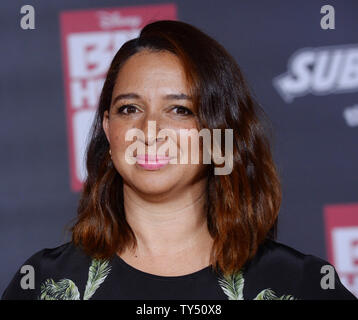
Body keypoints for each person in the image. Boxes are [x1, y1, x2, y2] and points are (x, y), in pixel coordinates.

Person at [2, 20, 356, 300]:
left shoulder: (300, 285)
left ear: (219, 132)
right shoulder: (45, 285)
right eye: (130, 108)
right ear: (109, 131)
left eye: (179, 109)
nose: (150, 129)